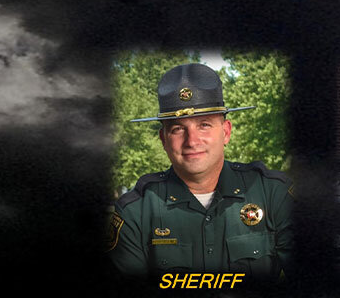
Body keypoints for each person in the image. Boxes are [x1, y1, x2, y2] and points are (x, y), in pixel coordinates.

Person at [110, 63, 292, 278]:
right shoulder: (135, 211)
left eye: (204, 125)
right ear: (163, 140)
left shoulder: (273, 194)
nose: (192, 141)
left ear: (226, 132)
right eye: (178, 128)